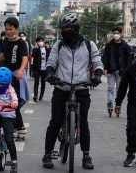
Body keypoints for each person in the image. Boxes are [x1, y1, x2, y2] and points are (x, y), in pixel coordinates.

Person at [42, 13, 103, 170]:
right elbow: (52, 61)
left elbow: (97, 62)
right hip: (61, 88)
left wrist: (97, 75)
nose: (63, 31)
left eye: (66, 28)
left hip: (82, 88)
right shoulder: (59, 45)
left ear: (75, 29)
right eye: (62, 29)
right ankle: (47, 154)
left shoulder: (89, 45)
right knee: (55, 122)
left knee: (83, 123)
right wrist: (49, 73)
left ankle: (86, 155)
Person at [0, 17, 29, 134]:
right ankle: (16, 125)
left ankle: (19, 125)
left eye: (10, 29)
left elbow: (25, 58)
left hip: (17, 74)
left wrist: (21, 71)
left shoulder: (21, 43)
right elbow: (2, 53)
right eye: (6, 29)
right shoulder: (5, 41)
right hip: (6, 74)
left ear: (16, 29)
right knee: (3, 98)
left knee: (14, 99)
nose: (8, 32)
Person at [102, 26, 133, 117]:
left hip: (121, 72)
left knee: (120, 90)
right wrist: (105, 68)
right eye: (114, 33)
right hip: (111, 70)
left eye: (117, 33)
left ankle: (118, 105)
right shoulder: (109, 45)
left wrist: (128, 71)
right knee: (110, 88)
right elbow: (105, 57)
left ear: (121, 34)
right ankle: (110, 103)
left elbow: (129, 60)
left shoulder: (125, 46)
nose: (115, 35)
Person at [32, 37, 50, 102]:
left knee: (43, 83)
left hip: (44, 69)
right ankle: (35, 96)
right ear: (37, 42)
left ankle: (41, 96)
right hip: (37, 68)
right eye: (39, 41)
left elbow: (50, 56)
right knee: (36, 82)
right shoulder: (36, 49)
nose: (41, 42)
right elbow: (33, 55)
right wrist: (36, 48)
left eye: (42, 41)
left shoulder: (47, 49)